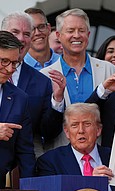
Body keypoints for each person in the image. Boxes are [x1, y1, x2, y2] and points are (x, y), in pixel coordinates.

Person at [40, 8, 115, 148]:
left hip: (100, 160)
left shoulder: (109, 70)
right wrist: (57, 100)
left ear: (88, 35)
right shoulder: (45, 76)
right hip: (60, 161)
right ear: (58, 35)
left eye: (81, 31)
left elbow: (114, 119)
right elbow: (44, 129)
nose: (77, 35)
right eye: (70, 31)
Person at [1, 12, 64, 157]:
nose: (20, 39)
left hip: (24, 164)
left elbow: (48, 132)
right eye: (15, 32)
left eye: (27, 34)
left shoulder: (42, 81)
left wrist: (58, 100)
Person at [0, 30, 36, 188]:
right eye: (3, 61)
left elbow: (25, 152)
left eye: (14, 63)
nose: (9, 69)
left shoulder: (20, 98)